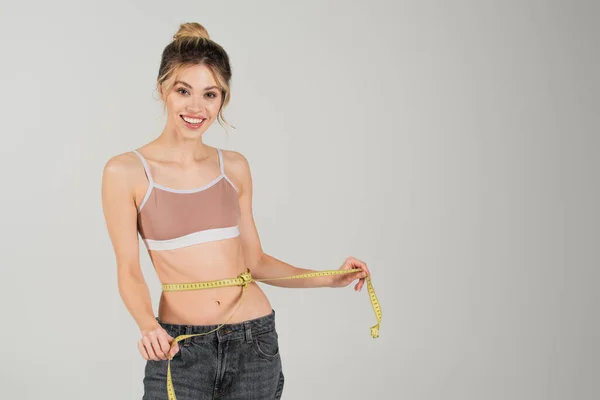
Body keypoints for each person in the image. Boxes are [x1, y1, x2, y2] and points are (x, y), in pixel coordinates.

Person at [101, 22, 371, 400]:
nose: (196, 107)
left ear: (222, 99)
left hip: (254, 342)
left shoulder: (235, 167)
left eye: (210, 94)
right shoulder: (126, 172)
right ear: (163, 90)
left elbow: (255, 261)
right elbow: (128, 269)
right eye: (184, 91)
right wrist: (148, 325)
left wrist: (328, 277)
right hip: (180, 347)